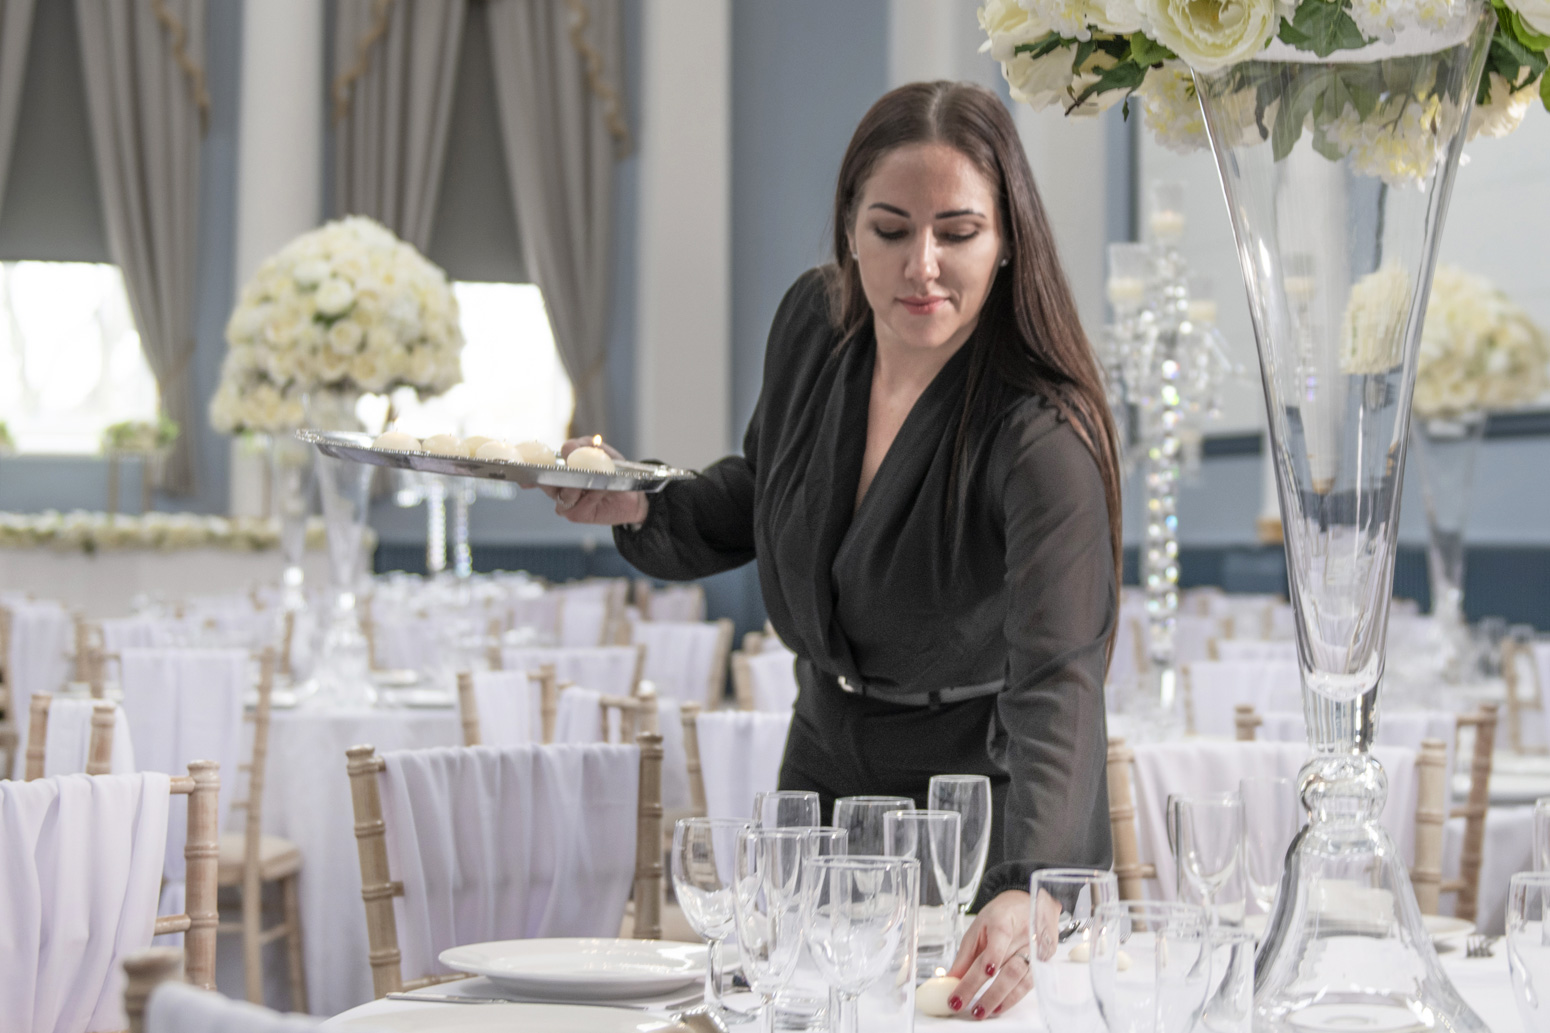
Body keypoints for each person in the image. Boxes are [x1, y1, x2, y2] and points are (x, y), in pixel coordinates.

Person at [541, 80, 1121, 1021]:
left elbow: (1060, 678)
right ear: (849, 226)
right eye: (891, 229)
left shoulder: (1042, 433)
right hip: (822, 766)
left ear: (1008, 239)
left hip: (979, 808)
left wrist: (1025, 882)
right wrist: (634, 498)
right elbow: (759, 493)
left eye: (958, 232)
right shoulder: (814, 326)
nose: (921, 266)